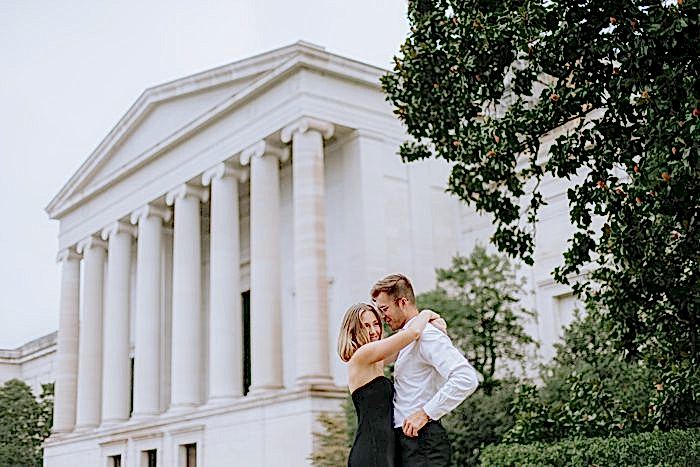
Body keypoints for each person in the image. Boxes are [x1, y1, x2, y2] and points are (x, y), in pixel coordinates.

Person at [371, 273, 479, 467]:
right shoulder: (407, 338)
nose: (382, 317)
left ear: (402, 302)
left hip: (423, 443)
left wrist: (425, 413)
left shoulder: (428, 335)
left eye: (384, 309)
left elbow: (466, 378)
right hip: (407, 442)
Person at [337, 303, 443, 467]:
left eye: (376, 324)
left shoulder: (377, 360)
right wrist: (427, 313)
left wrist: (436, 328)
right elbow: (412, 333)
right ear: (354, 330)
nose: (373, 331)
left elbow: (409, 345)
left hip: (386, 450)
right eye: (366, 326)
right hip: (371, 450)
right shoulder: (362, 356)